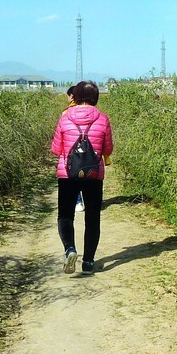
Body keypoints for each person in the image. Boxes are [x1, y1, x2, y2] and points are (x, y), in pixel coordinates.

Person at [51, 80, 113, 275]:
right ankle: (88, 262)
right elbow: (108, 150)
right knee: (92, 218)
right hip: (93, 174)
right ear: (95, 97)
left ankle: (70, 249)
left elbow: (55, 149)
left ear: (75, 96)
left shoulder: (64, 118)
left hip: (67, 174)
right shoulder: (103, 119)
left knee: (65, 215)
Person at [63, 86, 84, 213]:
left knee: (73, 176)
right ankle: (85, 200)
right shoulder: (93, 111)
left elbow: (61, 133)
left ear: (71, 96)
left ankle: (78, 201)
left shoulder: (66, 113)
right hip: (88, 149)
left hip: (71, 150)